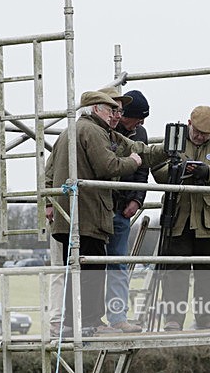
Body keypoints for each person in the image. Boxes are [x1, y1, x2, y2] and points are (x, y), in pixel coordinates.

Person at [45, 90, 167, 337]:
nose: (116, 115)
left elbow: (48, 171)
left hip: (69, 215)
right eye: (112, 110)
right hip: (88, 215)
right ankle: (90, 322)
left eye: (118, 111)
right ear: (96, 109)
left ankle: (71, 323)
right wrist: (133, 162)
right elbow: (107, 166)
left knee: (76, 271)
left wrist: (49, 202)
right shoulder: (93, 132)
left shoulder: (71, 131)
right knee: (92, 271)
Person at [152, 105, 210, 331]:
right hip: (178, 218)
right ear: (188, 124)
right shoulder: (174, 140)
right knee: (174, 272)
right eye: (197, 132)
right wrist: (180, 170)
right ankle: (173, 319)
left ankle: (207, 318)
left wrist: (207, 172)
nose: (200, 137)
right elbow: (157, 168)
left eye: (205, 134)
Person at [100, 89, 150, 333]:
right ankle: (92, 320)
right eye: (138, 118)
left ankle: (118, 317)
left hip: (122, 209)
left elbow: (143, 169)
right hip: (98, 207)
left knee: (118, 264)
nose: (141, 124)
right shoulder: (103, 130)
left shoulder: (139, 133)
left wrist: (137, 199)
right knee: (95, 264)